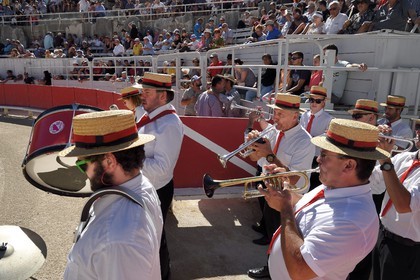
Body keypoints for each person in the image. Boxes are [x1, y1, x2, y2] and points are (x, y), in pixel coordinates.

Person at [259, 118, 390, 279]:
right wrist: (285, 191)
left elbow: (299, 271)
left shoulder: (352, 221)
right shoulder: (337, 186)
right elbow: (308, 205)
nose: (318, 159)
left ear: (348, 165)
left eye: (324, 155)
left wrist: (285, 208)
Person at [59, 110, 163, 280]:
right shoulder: (142, 184)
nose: (83, 173)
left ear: (109, 161)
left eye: (83, 164)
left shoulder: (118, 240)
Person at [247, 93, 315, 279]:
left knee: (285, 240)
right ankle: (272, 267)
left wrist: (269, 154)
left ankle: (275, 271)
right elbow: (255, 159)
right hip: (272, 192)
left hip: (289, 199)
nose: (275, 118)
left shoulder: (305, 141)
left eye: (280, 114)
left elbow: (294, 180)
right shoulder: (272, 132)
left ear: (295, 115)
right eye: (275, 113)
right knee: (272, 234)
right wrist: (252, 145)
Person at [136, 73, 184, 280]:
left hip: (157, 190)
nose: (141, 96)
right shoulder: (150, 115)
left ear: (163, 97)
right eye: (141, 92)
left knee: (156, 239)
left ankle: (164, 275)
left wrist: (128, 161)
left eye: (146, 92)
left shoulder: (169, 124)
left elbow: (162, 168)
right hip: (148, 186)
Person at [370, 118, 420, 280]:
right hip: (382, 236)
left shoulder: (393, 161)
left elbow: (403, 205)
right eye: (419, 127)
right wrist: (368, 146)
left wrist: (385, 160)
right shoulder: (405, 158)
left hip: (406, 249)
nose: (418, 132)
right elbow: (373, 184)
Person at [300, 86, 333, 190]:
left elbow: (326, 139)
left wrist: (311, 139)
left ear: (324, 103)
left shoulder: (329, 119)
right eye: (311, 100)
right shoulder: (304, 115)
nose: (314, 103)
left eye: (318, 101)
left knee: (313, 184)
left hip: (316, 157)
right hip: (302, 154)